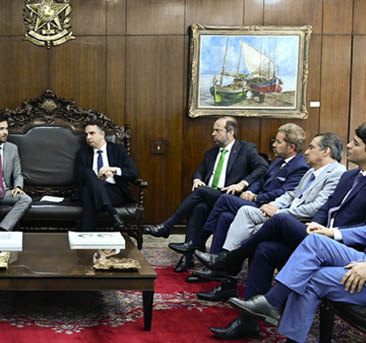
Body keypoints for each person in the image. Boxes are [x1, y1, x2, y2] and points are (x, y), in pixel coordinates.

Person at [229, 138, 366, 343]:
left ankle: (281, 319)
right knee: (315, 241)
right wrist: (333, 233)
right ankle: (272, 302)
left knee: (312, 278)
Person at [199, 122, 366, 339]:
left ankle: (230, 260)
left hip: (346, 249)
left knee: (281, 221)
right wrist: (313, 225)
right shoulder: (349, 176)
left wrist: (330, 232)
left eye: (355, 143)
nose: (348, 145)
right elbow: (325, 209)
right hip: (319, 237)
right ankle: (248, 322)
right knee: (266, 249)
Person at [145, 116, 268, 272]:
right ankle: (188, 256)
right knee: (199, 207)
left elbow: (263, 167)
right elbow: (200, 171)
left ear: (230, 132)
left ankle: (168, 226)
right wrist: (197, 179)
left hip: (229, 197)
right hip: (210, 196)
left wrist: (242, 184)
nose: (213, 134)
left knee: (201, 193)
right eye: (213, 130)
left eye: (217, 130)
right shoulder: (211, 153)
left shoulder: (246, 149)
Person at [218, 133, 345, 253]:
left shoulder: (337, 173)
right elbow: (292, 194)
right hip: (285, 212)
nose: (306, 152)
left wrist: (278, 212)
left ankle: (228, 261)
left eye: (311, 148)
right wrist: (273, 206)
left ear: (325, 151)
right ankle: (226, 257)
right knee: (246, 211)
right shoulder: (311, 171)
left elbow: (316, 208)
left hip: (301, 221)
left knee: (254, 229)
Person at [199, 123, 310, 257]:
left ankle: (199, 240)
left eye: (278, 142)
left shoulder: (300, 167)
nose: (274, 144)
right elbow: (262, 179)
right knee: (225, 216)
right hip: (256, 201)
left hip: (267, 208)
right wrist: (250, 192)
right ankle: (216, 261)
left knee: (224, 199)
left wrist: (256, 198)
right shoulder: (279, 160)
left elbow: (284, 193)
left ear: (291, 147)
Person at [73, 120, 139, 231]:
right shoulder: (82, 153)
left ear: (102, 134)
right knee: (88, 175)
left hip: (113, 192)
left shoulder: (118, 150)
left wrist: (114, 170)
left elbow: (133, 173)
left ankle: (86, 238)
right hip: (90, 188)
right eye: (86, 134)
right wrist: (97, 179)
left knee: (87, 193)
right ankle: (112, 212)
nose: (88, 137)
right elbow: (79, 178)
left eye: (92, 133)